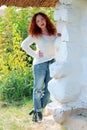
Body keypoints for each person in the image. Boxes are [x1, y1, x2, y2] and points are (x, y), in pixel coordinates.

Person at [21, 12, 61, 122]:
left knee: (49, 90)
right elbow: (23, 45)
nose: (41, 22)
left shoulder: (53, 32)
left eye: (42, 19)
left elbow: (60, 40)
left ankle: (37, 109)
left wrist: (60, 36)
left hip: (52, 62)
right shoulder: (35, 34)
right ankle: (38, 112)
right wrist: (35, 54)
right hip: (40, 64)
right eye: (37, 21)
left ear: (46, 19)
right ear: (35, 24)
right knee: (38, 89)